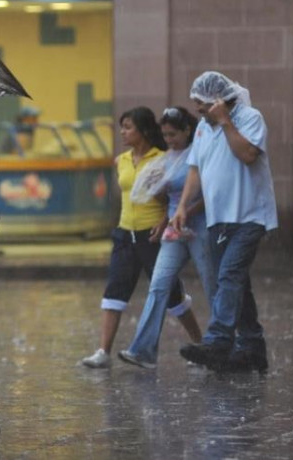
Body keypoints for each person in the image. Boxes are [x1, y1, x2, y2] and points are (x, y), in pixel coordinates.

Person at [171, 71, 278, 372]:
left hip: (249, 215)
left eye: (202, 105)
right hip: (218, 218)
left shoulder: (249, 118)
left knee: (229, 275)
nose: (198, 112)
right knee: (236, 283)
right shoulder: (203, 130)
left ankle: (219, 340)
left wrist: (225, 122)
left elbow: (247, 155)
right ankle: (252, 347)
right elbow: (195, 170)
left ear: (218, 101)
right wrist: (182, 207)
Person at [80, 106, 202, 369]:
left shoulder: (164, 159)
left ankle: (200, 342)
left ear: (144, 130)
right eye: (121, 127)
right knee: (114, 290)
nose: (122, 132)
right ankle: (103, 351)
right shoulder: (120, 160)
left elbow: (167, 198)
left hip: (153, 235)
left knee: (171, 295)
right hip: (125, 234)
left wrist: (162, 222)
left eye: (128, 127)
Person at [118, 107, 211, 369]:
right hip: (173, 228)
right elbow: (163, 197)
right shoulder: (168, 159)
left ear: (187, 131)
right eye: (165, 135)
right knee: (159, 284)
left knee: (211, 283)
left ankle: (220, 343)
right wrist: (155, 188)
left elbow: (209, 195)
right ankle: (144, 350)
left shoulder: (199, 155)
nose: (168, 140)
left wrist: (186, 212)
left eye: (173, 135)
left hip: (199, 226)